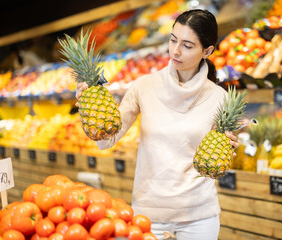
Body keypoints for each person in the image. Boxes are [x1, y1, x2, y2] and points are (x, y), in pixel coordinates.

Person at [76, 9, 239, 240]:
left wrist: (229, 147)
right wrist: (89, 109)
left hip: (199, 218)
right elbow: (107, 139)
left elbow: (215, 164)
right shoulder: (144, 86)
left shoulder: (219, 98)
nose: (175, 51)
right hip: (148, 216)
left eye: (187, 45)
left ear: (208, 51)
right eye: (173, 40)